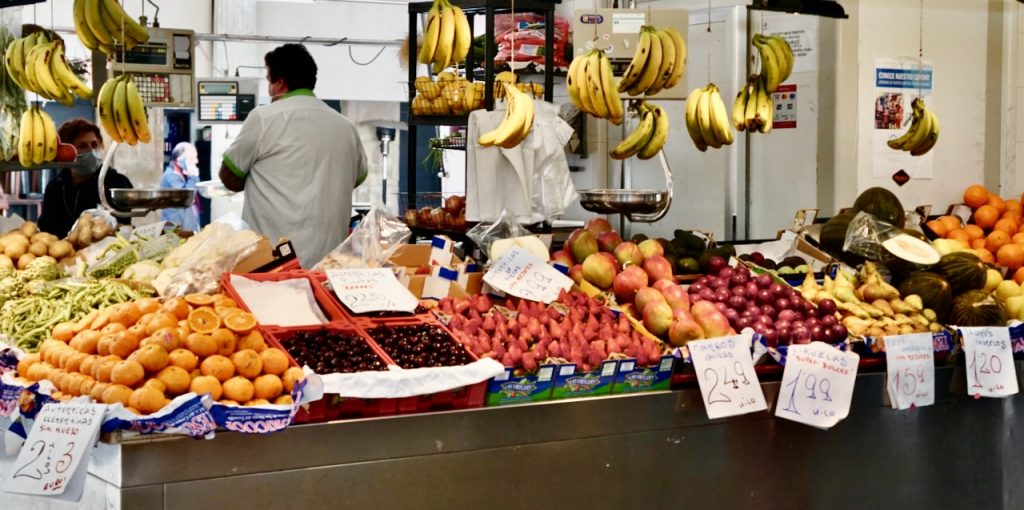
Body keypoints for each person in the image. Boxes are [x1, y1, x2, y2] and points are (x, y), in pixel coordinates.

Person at [219, 43, 368, 268]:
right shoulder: (345, 126)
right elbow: (355, 178)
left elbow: (229, 177)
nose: (269, 90)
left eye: (269, 81)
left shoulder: (263, 118)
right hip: (329, 268)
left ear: (280, 83)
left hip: (272, 265)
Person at [39, 119, 133, 237]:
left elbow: (123, 227)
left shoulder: (117, 183)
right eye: (82, 146)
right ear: (67, 152)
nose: (91, 151)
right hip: (63, 252)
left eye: (94, 144)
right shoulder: (56, 187)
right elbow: (46, 228)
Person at [160, 142, 200, 232]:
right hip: (176, 228)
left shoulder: (183, 174)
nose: (196, 161)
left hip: (185, 226)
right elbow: (186, 196)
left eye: (196, 157)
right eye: (192, 158)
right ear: (179, 160)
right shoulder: (170, 176)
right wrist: (194, 177)